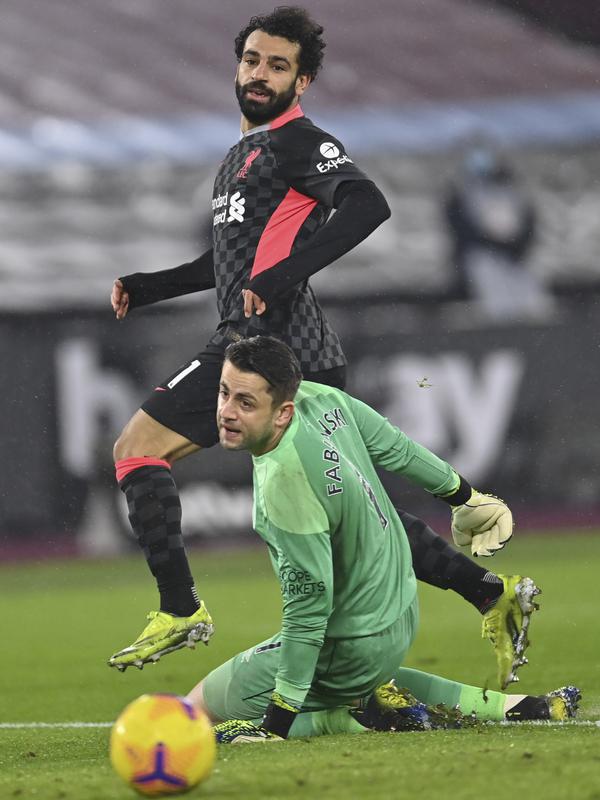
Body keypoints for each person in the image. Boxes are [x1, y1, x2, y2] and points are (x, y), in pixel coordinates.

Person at [108, 7, 535, 688]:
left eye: (278, 65)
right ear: (238, 64)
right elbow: (222, 264)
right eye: (252, 60)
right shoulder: (238, 158)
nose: (260, 73)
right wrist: (147, 285)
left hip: (276, 349)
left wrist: (280, 276)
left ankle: (181, 608)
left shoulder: (298, 143)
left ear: (300, 80)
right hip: (263, 345)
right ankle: (489, 594)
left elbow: (368, 204)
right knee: (355, 514)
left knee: (138, 449)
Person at [185, 336, 580, 742]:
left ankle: (345, 718)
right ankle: (526, 707)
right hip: (399, 618)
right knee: (364, 676)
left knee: (196, 710)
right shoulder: (324, 400)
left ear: (283, 412)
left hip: (353, 645)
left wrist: (276, 726)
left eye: (245, 403)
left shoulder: (282, 483)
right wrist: (465, 497)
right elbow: (398, 449)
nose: (226, 412)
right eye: (224, 392)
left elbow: (308, 611)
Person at [444, 141, 555, 320]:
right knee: (498, 302)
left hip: (517, 255)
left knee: (532, 302)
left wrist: (517, 245)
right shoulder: (461, 191)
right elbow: (462, 228)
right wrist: (492, 243)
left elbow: (529, 219)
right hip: (484, 254)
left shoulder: (512, 187)